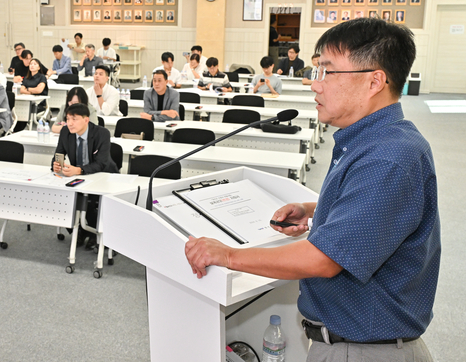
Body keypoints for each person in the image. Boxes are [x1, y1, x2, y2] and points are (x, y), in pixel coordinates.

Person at [185, 18, 439, 362]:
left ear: (374, 81)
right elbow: (374, 211)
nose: (314, 86)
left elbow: (322, 260)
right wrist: (314, 209)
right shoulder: (373, 140)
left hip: (364, 352)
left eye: (327, 73)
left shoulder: (388, 157)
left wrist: (226, 255)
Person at [51, 103, 119, 248]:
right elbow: (58, 154)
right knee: (65, 197)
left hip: (104, 176)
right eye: (68, 119)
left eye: (74, 119)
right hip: (81, 177)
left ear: (86, 120)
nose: (69, 123)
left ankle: (95, 232)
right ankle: (81, 230)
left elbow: (101, 163)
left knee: (91, 200)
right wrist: (56, 165)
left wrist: (78, 170)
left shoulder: (102, 133)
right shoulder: (65, 132)